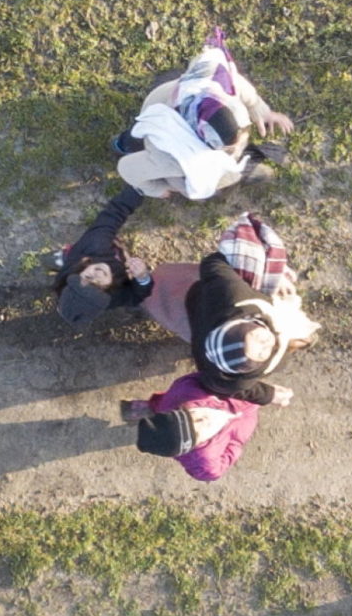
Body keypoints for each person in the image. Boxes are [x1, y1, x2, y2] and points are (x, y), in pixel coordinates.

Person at [113, 31, 298, 202]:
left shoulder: (212, 86)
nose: (242, 142)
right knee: (214, 182)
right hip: (168, 153)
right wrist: (155, 189)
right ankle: (235, 179)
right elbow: (127, 169)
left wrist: (262, 110)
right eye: (232, 147)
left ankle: (123, 142)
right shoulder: (171, 159)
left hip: (162, 100)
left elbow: (239, 86)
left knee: (135, 135)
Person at [186, 213, 316, 406]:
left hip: (202, 303)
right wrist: (269, 395)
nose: (269, 343)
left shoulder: (230, 293)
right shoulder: (227, 380)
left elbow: (211, 264)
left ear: (246, 322)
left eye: (257, 338)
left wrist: (272, 276)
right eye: (262, 354)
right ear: (246, 371)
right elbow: (234, 390)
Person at [51, 183, 157, 327]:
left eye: (88, 277)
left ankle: (63, 256)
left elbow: (111, 216)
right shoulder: (109, 298)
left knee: (71, 256)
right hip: (104, 265)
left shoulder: (96, 244)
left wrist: (138, 189)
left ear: (80, 272)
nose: (98, 274)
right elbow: (136, 296)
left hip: (83, 254)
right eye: (98, 286)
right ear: (105, 294)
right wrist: (142, 278)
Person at [122, 374, 259, 483]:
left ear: (182, 411)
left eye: (193, 417)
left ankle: (149, 409)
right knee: (166, 404)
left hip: (179, 403)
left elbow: (199, 378)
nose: (204, 421)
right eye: (198, 433)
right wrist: (235, 444)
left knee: (165, 403)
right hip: (242, 422)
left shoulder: (187, 391)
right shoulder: (205, 461)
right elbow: (214, 471)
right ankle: (149, 410)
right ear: (191, 447)